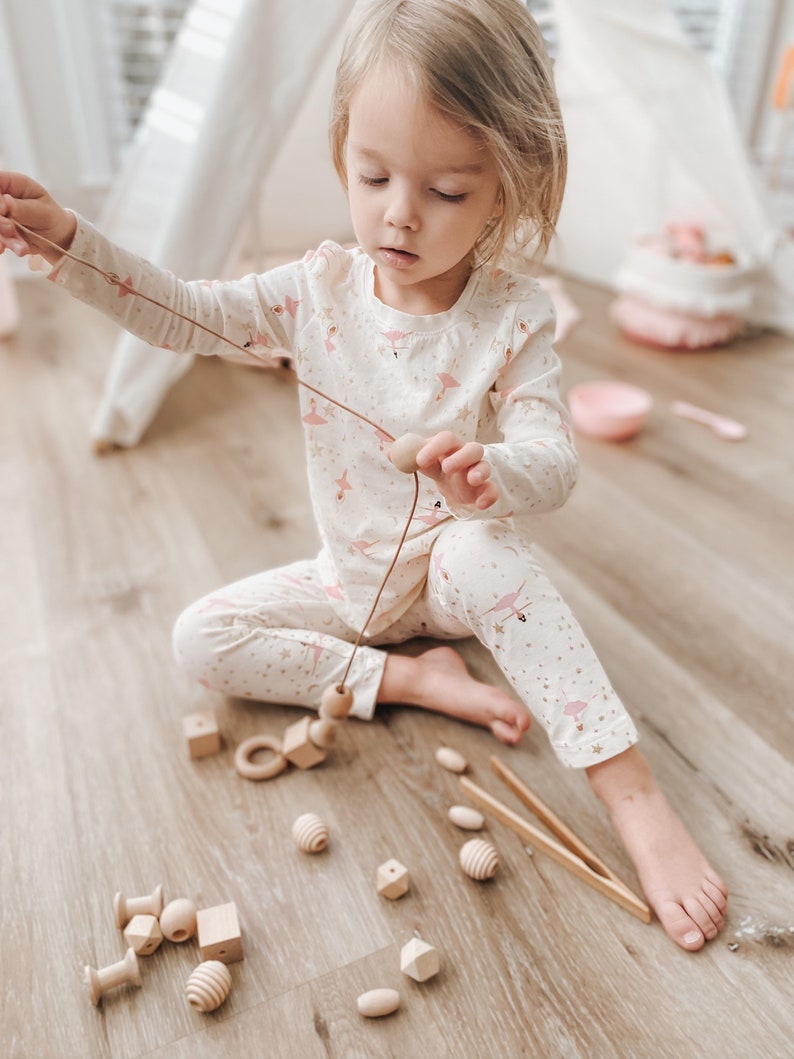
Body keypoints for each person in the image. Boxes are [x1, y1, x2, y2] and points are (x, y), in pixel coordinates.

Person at [0, 0, 726, 950]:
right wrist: (68, 244)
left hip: (453, 581)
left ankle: (633, 799)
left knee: (480, 557)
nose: (399, 212)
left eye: (448, 191)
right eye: (372, 174)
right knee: (199, 638)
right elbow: (179, 313)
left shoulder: (516, 318)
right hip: (350, 585)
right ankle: (417, 683)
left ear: (507, 188)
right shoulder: (315, 294)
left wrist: (491, 472)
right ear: (343, 152)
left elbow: (553, 463)